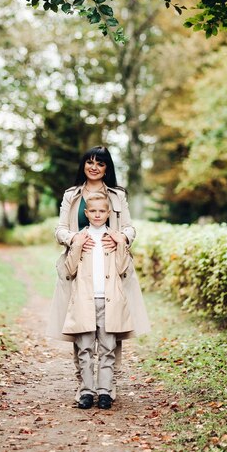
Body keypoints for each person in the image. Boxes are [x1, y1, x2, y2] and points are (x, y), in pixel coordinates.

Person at [46, 145, 150, 403]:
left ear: (107, 168)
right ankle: (84, 388)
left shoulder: (117, 196)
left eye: (100, 163)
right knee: (81, 329)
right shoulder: (72, 195)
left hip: (110, 269)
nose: (94, 167)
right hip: (78, 268)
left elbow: (130, 228)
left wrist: (121, 237)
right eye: (90, 162)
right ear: (83, 165)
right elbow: (59, 229)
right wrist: (75, 239)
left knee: (110, 330)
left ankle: (107, 388)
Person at [63, 191, 137, 409]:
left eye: (101, 211)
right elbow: (70, 269)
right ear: (86, 213)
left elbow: (124, 268)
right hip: (84, 301)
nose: (97, 215)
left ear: (108, 213)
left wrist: (121, 243)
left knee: (107, 348)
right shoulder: (80, 238)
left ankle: (105, 391)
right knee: (84, 348)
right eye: (92, 211)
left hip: (109, 301)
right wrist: (76, 245)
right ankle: (86, 391)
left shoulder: (112, 238)